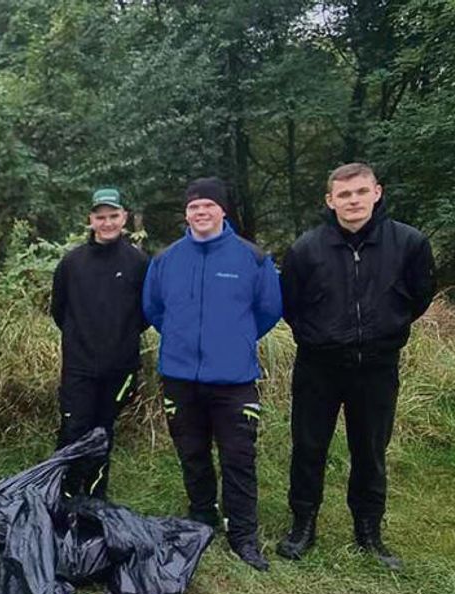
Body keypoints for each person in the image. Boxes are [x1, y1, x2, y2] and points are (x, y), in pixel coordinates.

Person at [276, 163, 435, 571]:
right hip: (319, 366)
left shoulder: (409, 243)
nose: (353, 201)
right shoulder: (305, 249)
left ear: (376, 193)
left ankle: (368, 530)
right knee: (309, 447)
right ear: (330, 200)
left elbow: (419, 297)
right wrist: (320, 335)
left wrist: (384, 330)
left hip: (377, 367)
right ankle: (303, 524)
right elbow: (291, 305)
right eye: (344, 195)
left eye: (361, 192)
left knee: (370, 450)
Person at [143, 177, 282, 571]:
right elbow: (153, 310)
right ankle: (202, 515)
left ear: (223, 210)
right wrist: (181, 338)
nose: (200, 213)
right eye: (193, 207)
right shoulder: (166, 259)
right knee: (192, 452)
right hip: (180, 376)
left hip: (234, 380)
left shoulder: (251, 258)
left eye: (208, 205)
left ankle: (243, 536)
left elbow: (269, 310)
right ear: (186, 214)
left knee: (239, 458)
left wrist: (235, 339)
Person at [50, 188, 149, 499]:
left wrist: (119, 339)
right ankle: (63, 494)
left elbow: (146, 314)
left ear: (125, 218)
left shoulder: (139, 262)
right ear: (90, 220)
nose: (107, 223)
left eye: (113, 216)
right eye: (100, 217)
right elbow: (59, 310)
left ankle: (95, 496)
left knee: (102, 431)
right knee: (72, 430)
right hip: (79, 366)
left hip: (120, 368)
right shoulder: (72, 263)